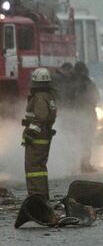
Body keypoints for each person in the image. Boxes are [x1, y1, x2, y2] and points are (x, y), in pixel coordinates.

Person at [22, 68, 57, 200]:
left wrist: (31, 133)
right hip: (44, 136)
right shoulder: (49, 95)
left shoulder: (40, 96)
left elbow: (41, 117)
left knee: (33, 168)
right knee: (40, 167)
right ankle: (42, 195)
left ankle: (36, 196)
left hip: (37, 138)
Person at [72, 62, 100, 173]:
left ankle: (76, 163)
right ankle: (85, 164)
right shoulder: (88, 83)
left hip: (74, 115)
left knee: (75, 140)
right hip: (87, 115)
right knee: (86, 140)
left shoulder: (70, 82)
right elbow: (95, 98)